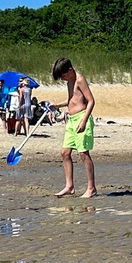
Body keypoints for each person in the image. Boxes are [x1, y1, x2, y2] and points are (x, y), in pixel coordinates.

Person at [51, 58, 97, 198]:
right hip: (71, 120)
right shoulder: (69, 81)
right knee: (65, 153)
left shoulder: (79, 79)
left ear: (70, 70)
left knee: (83, 153)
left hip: (82, 118)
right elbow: (72, 99)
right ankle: (69, 186)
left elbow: (91, 101)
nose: (63, 79)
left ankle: (91, 188)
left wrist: (84, 121)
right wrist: (57, 105)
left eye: (64, 76)